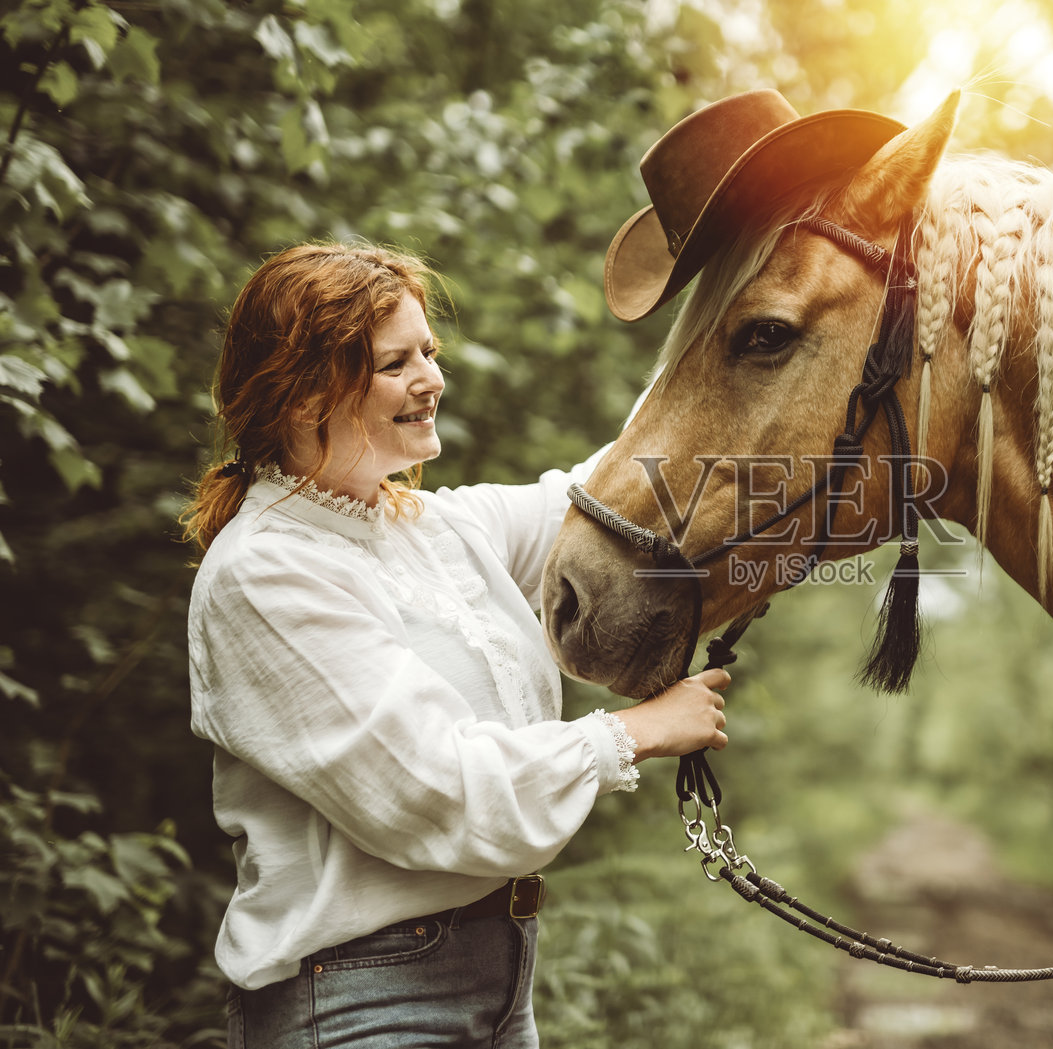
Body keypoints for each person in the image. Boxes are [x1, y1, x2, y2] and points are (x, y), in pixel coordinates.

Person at [180, 242, 730, 1046]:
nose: (432, 378)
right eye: (395, 362)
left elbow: (606, 486)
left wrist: (728, 323)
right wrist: (635, 732)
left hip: (499, 978)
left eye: (429, 352)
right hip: (360, 1004)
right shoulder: (265, 573)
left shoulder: (427, 527)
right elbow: (438, 788)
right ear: (303, 398)